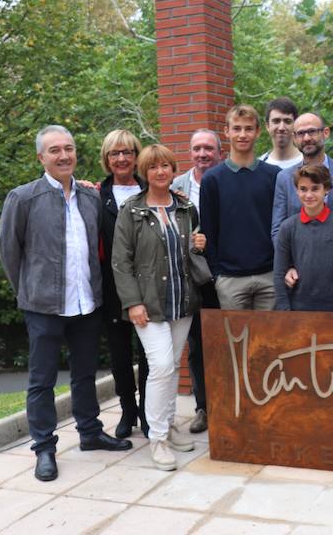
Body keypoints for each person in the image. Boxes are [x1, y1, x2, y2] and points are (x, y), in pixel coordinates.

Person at [0, 125, 132, 482]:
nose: (63, 155)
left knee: (85, 374)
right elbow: (9, 252)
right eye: (54, 150)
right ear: (41, 157)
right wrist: (28, 290)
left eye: (68, 148)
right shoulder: (23, 198)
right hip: (43, 307)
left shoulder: (90, 197)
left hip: (87, 303)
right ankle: (44, 447)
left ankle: (89, 432)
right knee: (41, 381)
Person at [112, 144, 207, 471]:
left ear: (172, 169)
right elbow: (120, 262)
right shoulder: (131, 210)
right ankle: (157, 438)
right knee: (162, 365)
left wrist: (199, 244)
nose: (161, 172)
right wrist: (133, 302)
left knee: (174, 366)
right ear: (144, 171)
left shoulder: (185, 207)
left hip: (182, 300)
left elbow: (192, 251)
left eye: (166, 165)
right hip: (147, 304)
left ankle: (168, 425)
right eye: (153, 167)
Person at [200, 105, 282, 310]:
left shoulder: (274, 175)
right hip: (229, 279)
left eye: (248, 128)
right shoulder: (212, 179)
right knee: (235, 341)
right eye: (237, 128)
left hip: (269, 275)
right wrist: (216, 274)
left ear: (258, 132)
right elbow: (209, 230)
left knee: (271, 341)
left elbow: (282, 224)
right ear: (226, 131)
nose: (242, 134)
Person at [170, 128, 223, 434]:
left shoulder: (227, 182)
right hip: (191, 279)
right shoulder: (177, 187)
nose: (203, 154)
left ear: (219, 153)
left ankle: (230, 402)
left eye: (209, 149)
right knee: (198, 346)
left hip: (225, 276)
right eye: (197, 149)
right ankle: (203, 407)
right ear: (190, 154)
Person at [98, 129, 149, 438]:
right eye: (115, 153)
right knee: (119, 355)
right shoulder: (95, 195)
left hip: (147, 286)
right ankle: (127, 410)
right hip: (111, 287)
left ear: (136, 156)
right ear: (107, 159)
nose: (121, 158)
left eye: (127, 152)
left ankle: (147, 412)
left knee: (148, 354)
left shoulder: (152, 191)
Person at [271, 112, 333, 243]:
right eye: (301, 133)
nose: (307, 138)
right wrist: (288, 262)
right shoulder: (284, 178)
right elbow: (277, 229)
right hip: (298, 260)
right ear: (294, 139)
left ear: (325, 133)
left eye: (312, 131)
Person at [274, 165, 333, 311]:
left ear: (327, 189)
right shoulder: (287, 228)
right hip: (298, 310)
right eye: (303, 189)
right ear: (296, 190)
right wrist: (284, 312)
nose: (308, 195)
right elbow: (279, 274)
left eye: (315, 189)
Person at [259, 97, 302, 169]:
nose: (281, 127)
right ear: (267, 126)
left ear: (295, 125)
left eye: (287, 121)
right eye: (276, 121)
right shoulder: (259, 167)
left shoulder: (308, 163)